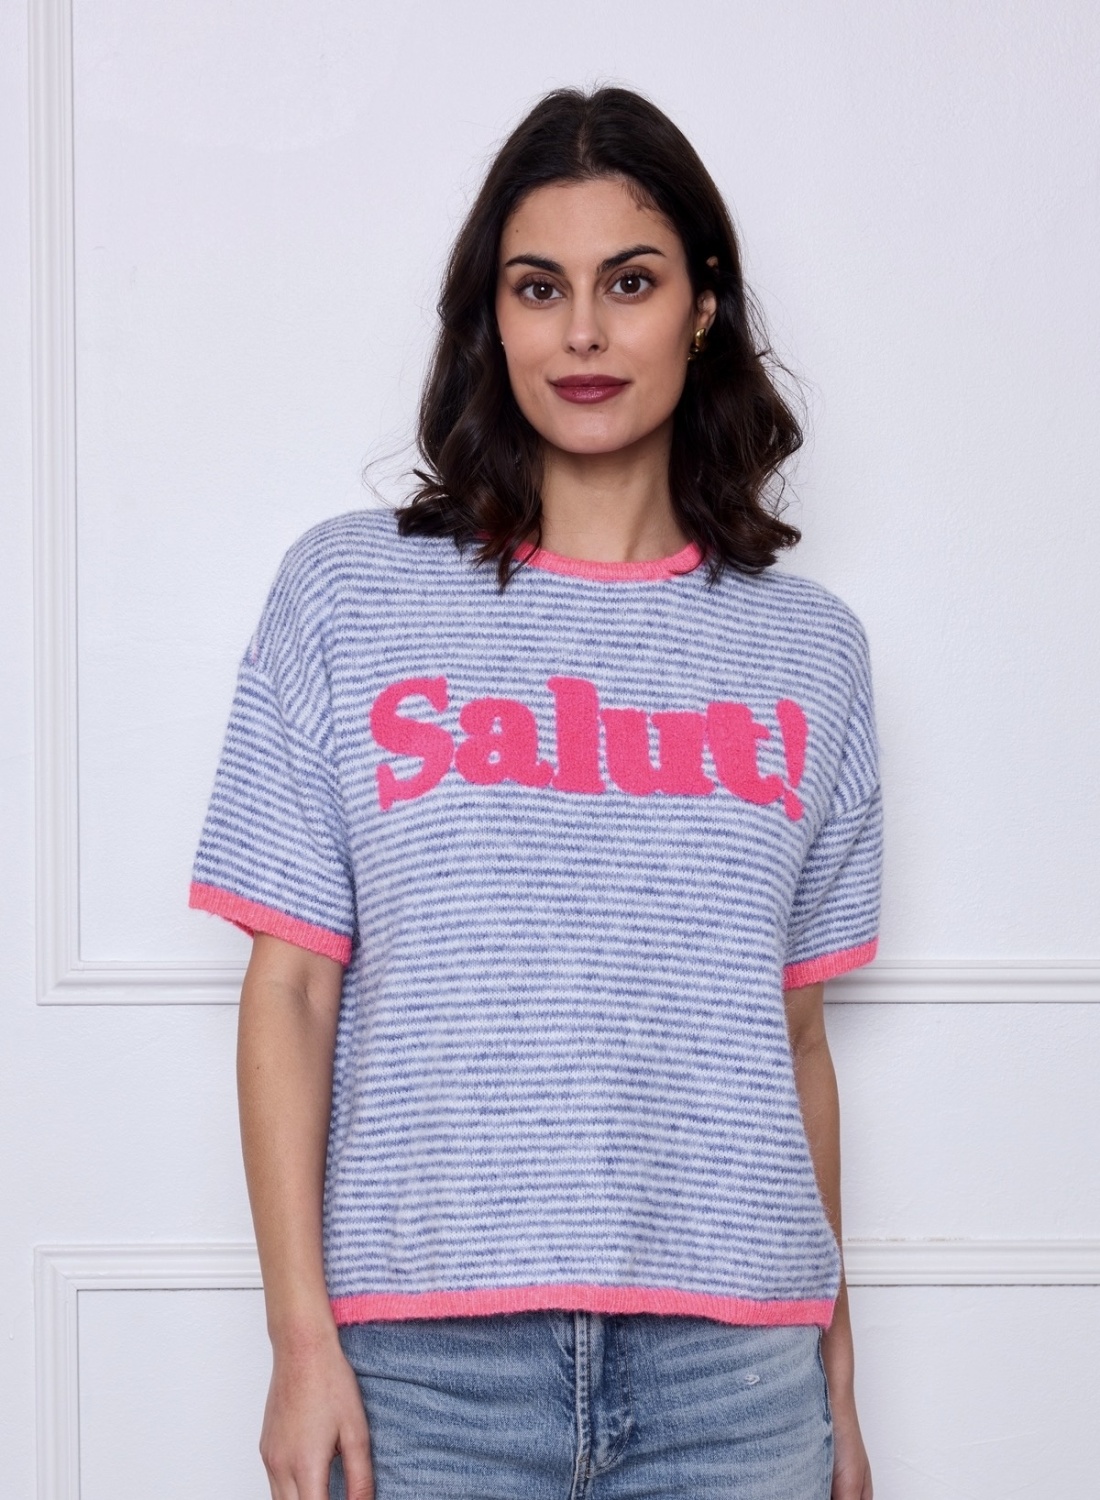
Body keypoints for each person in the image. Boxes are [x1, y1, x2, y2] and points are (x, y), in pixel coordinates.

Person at [190, 85, 881, 1500]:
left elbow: (798, 1037)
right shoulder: (350, 595)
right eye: (537, 287)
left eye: (630, 283)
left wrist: (837, 1386)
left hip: (735, 1379)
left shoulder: (810, 652)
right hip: (427, 1376)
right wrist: (299, 1344)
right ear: (490, 319)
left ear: (702, 308)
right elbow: (291, 990)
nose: (581, 334)